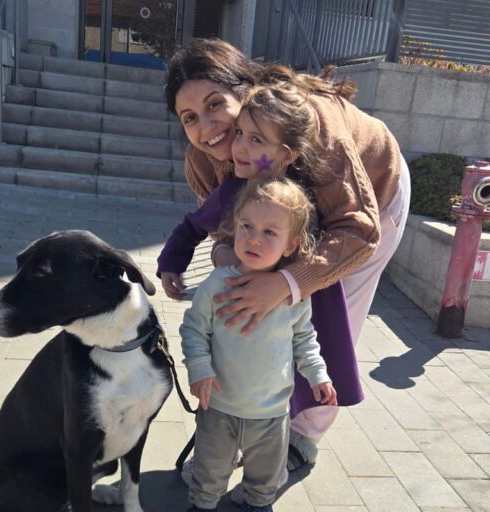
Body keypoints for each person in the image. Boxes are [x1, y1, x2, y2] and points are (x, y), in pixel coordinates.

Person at [164, 38, 411, 467]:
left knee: (328, 316)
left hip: (364, 206)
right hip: (283, 219)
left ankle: (303, 435)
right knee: (256, 310)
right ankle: (248, 421)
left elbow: (357, 229)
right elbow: (224, 227)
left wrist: (288, 282)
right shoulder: (203, 159)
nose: (207, 128)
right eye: (189, 118)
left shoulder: (312, 123)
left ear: (244, 90)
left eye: (215, 104)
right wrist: (228, 256)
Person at [158, 82, 363, 479]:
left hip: (292, 303)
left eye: (256, 140)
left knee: (285, 373)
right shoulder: (231, 191)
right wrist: (171, 262)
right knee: (233, 369)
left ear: (287, 155)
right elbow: (192, 225)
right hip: (237, 304)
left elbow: (328, 248)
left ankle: (269, 462)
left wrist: (290, 283)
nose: (239, 147)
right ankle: (219, 450)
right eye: (240, 134)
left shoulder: (301, 198)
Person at [181, 177, 338, 512]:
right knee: (209, 470)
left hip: (272, 411)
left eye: (269, 232)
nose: (253, 238)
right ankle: (203, 505)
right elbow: (194, 329)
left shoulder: (293, 295)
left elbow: (304, 339)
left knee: (265, 476)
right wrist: (199, 368)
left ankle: (258, 504)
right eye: (246, 226)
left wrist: (318, 374)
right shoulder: (217, 283)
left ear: (291, 244)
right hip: (219, 406)